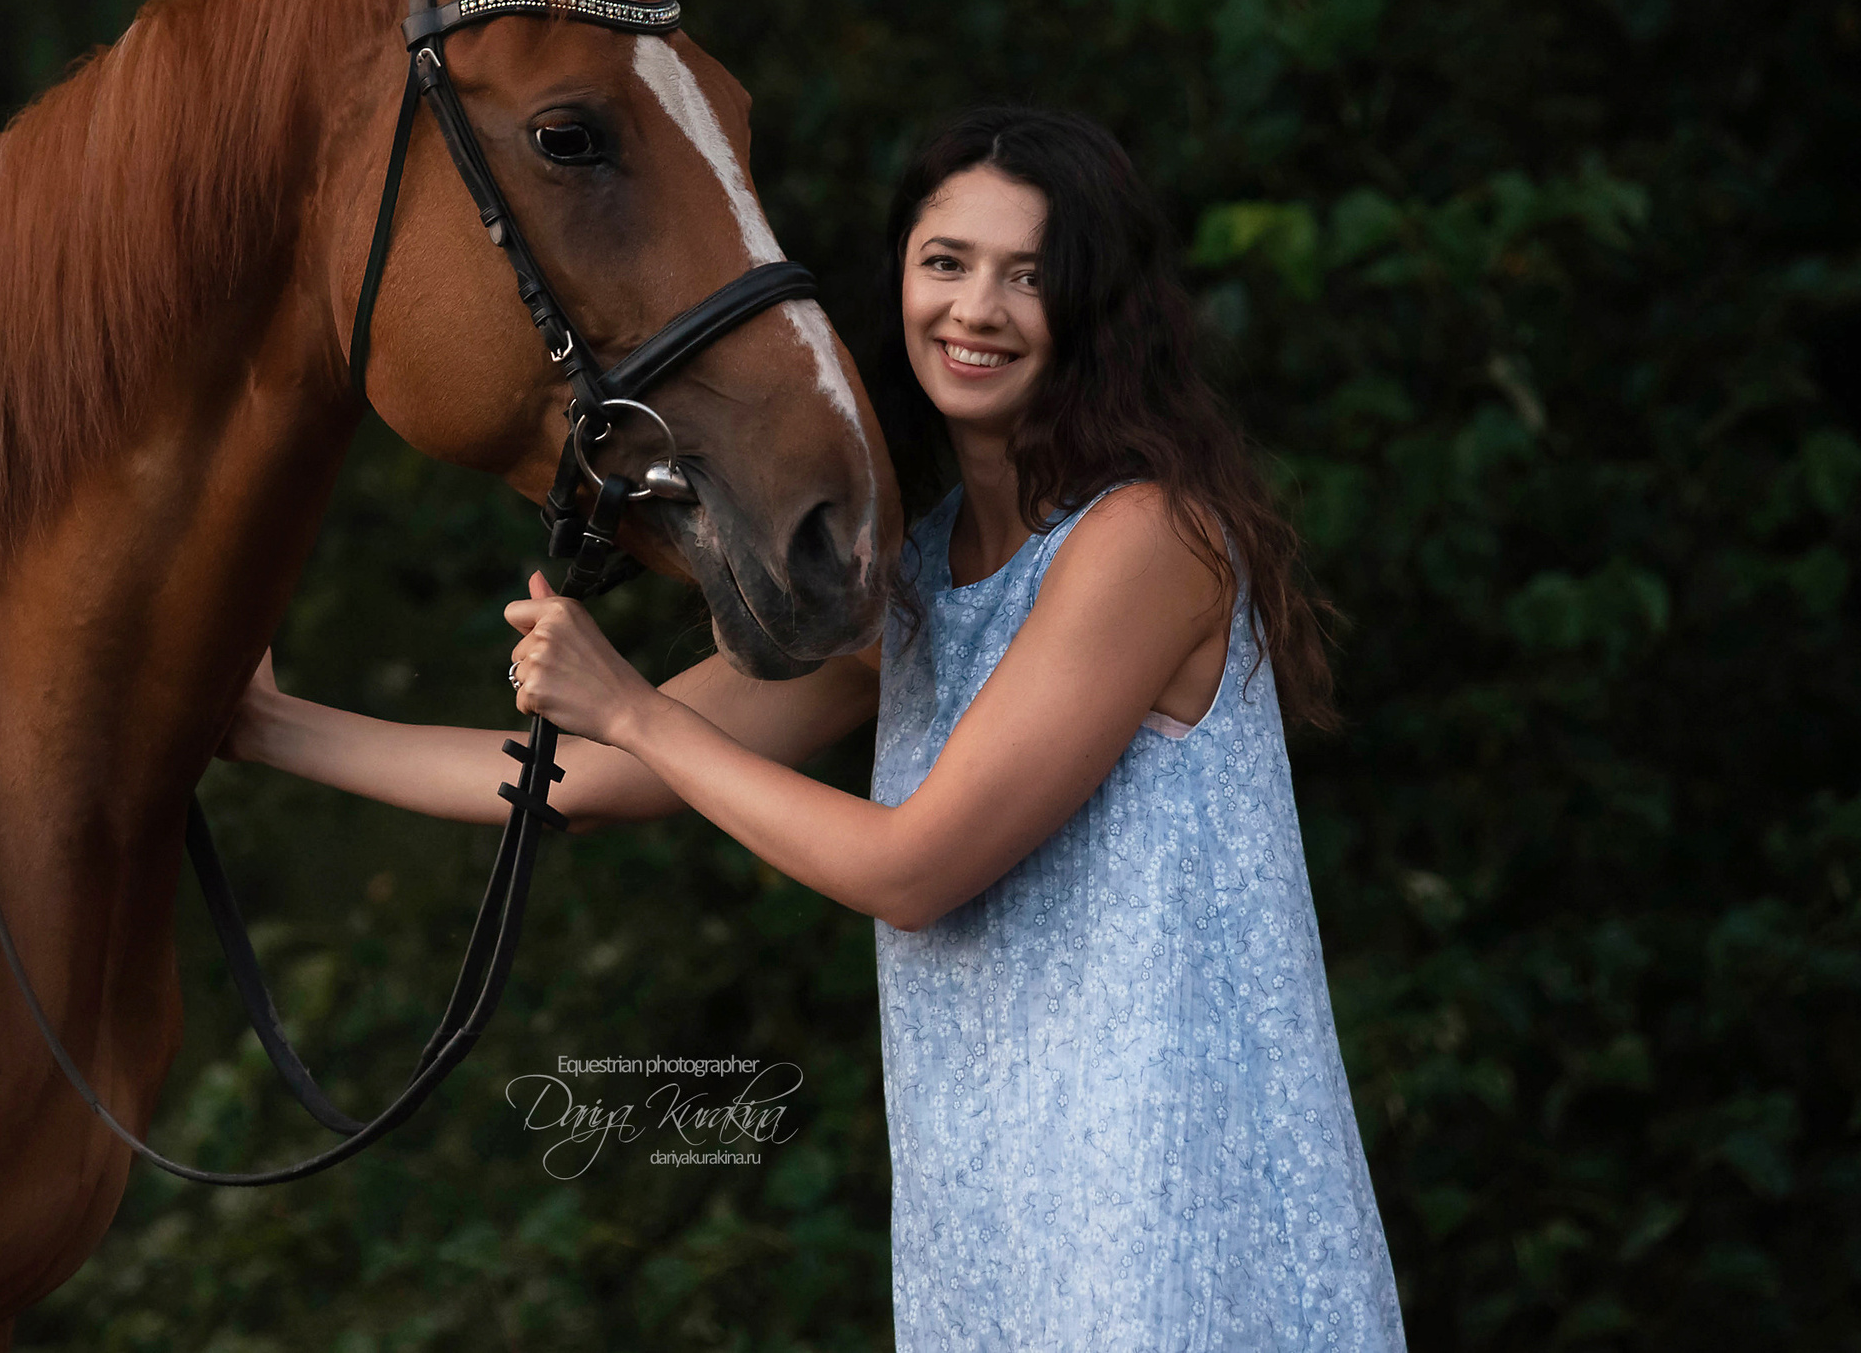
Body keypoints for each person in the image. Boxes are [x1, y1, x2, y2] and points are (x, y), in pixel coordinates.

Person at [225, 105, 1406, 1350]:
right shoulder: (915, 575)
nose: (975, 308)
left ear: (1095, 304)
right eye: (944, 262)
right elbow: (580, 776)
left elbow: (912, 867)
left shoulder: (1146, 542)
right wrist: (270, 725)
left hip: (1183, 1225)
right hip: (999, 1228)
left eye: (1027, 275)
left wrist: (628, 701)